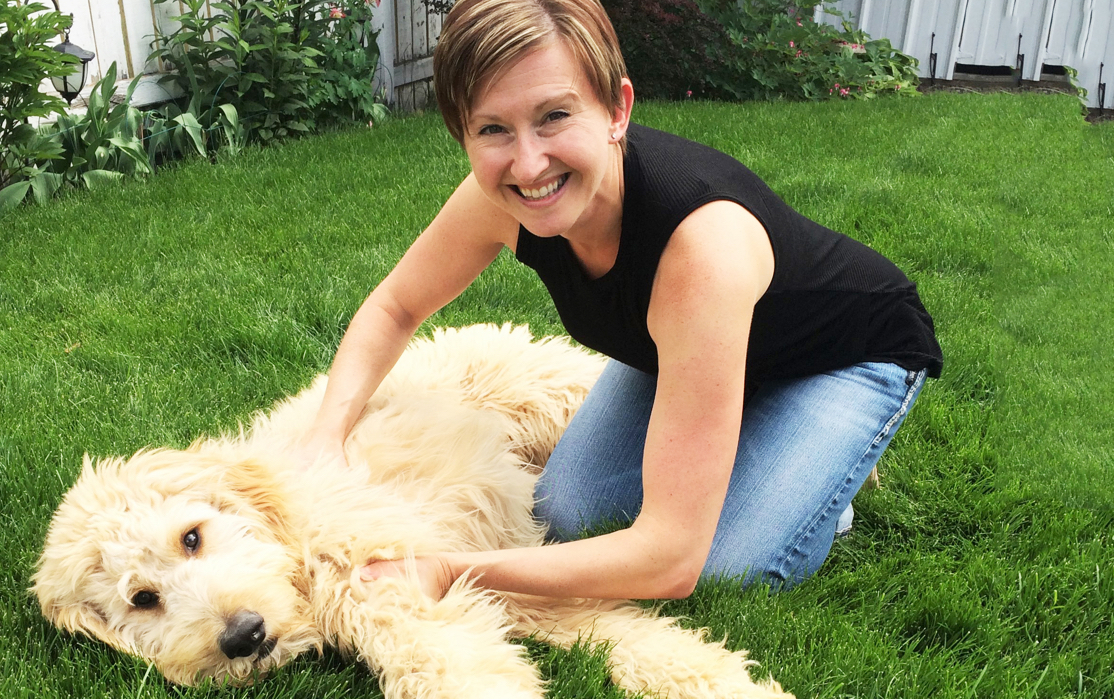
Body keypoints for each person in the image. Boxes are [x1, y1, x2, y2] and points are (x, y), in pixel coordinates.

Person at [300, 0, 942, 600]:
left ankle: (826, 477)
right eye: (493, 129)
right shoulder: (498, 203)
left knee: (726, 566)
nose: (528, 166)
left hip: (846, 355)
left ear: (616, 110)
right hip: (689, 348)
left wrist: (448, 571)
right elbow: (395, 308)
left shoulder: (700, 251)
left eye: (554, 116)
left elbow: (670, 561)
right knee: (568, 515)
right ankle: (747, 438)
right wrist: (325, 438)